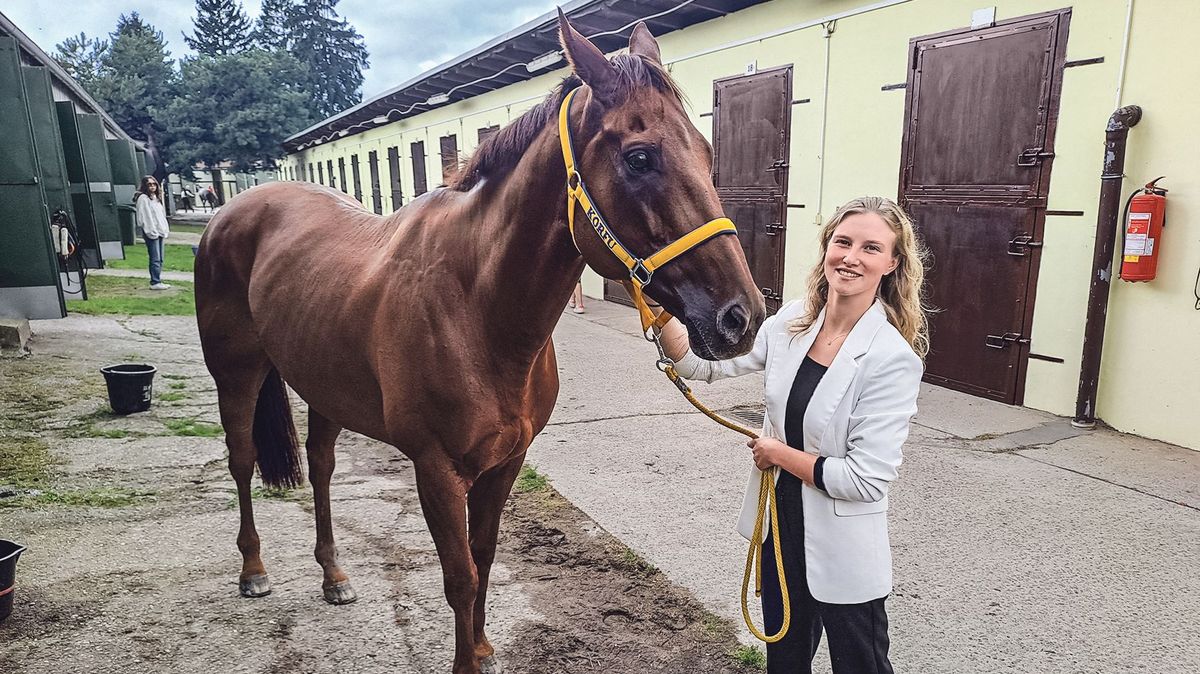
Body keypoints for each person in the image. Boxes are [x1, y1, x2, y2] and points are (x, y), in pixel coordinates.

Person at [658, 196, 929, 673]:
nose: (851, 257)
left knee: (860, 665)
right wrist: (661, 313)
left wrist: (778, 453)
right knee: (784, 660)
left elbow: (865, 480)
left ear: (891, 264)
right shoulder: (793, 321)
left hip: (842, 543)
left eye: (871, 248)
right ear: (827, 247)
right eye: (842, 242)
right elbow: (705, 366)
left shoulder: (891, 358)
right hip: (779, 525)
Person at [134, 175, 171, 290]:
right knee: (155, 257)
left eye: (154, 184)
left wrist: (163, 228)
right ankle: (155, 281)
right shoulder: (143, 199)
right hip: (151, 231)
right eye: (149, 184)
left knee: (160, 258)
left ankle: (157, 279)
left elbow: (160, 215)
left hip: (159, 231)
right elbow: (145, 216)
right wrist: (150, 230)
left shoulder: (156, 198)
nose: (152, 186)